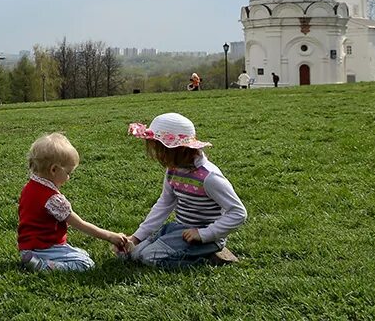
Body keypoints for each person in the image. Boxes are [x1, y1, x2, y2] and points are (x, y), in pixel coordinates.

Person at [122, 113, 247, 267]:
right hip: (178, 230)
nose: (157, 155)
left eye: (160, 149)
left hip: (205, 237)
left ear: (177, 149)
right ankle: (192, 252)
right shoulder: (174, 170)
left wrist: (204, 234)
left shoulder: (209, 178)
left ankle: (209, 257)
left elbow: (238, 213)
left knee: (149, 258)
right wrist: (136, 238)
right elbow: (164, 204)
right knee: (131, 254)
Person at [18, 132, 127, 271]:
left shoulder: (30, 187)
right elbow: (80, 224)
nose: (69, 177)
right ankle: (43, 266)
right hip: (44, 247)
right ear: (54, 169)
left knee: (83, 253)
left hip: (27, 246)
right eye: (68, 173)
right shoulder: (53, 199)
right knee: (86, 264)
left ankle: (32, 259)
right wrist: (110, 236)